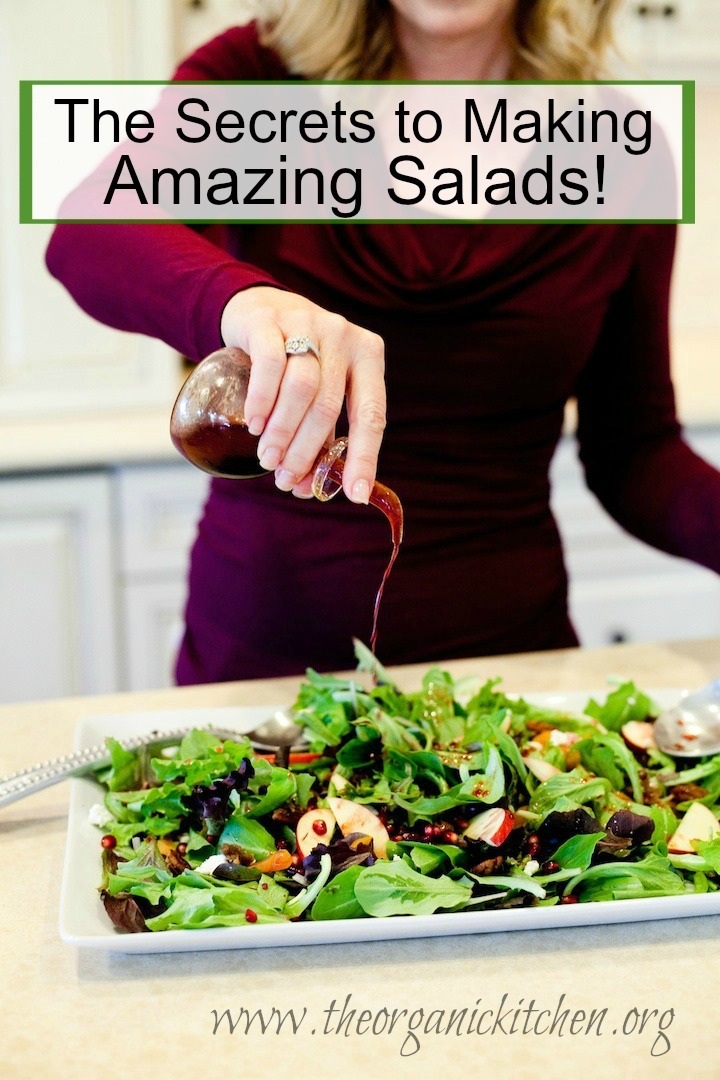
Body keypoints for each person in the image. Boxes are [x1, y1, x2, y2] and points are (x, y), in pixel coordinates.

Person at [46, 0, 720, 682]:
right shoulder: (259, 80)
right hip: (258, 679)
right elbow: (89, 231)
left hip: (509, 678)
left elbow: (636, 450)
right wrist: (243, 301)